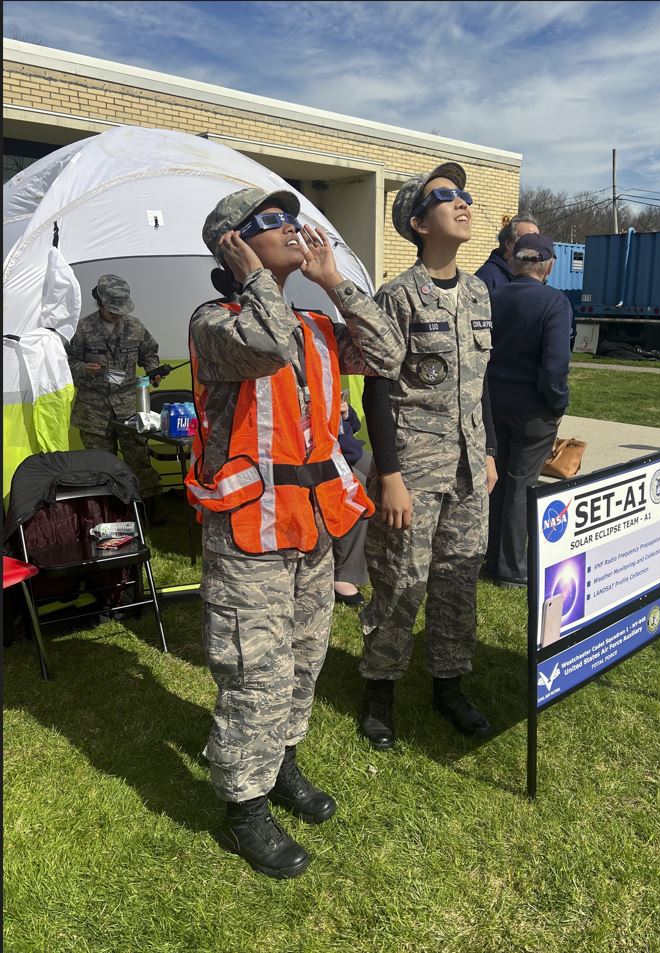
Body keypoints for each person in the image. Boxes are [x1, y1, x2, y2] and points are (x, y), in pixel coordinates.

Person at [186, 188, 403, 879]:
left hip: (311, 525)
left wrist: (336, 284)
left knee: (305, 656)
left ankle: (281, 764)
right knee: (257, 669)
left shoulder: (311, 319)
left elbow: (388, 355)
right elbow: (266, 341)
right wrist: (254, 277)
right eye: (270, 223)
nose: (293, 228)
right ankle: (243, 805)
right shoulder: (213, 321)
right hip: (249, 530)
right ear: (233, 244)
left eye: (291, 217)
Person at [358, 162, 498, 751]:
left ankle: (448, 685)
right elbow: (376, 386)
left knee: (457, 579)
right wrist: (388, 473)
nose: (462, 202)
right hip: (412, 467)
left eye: (464, 195)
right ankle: (378, 691)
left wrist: (487, 448)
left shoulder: (479, 291)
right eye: (446, 198)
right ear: (418, 223)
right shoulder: (397, 296)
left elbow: (479, 380)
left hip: (469, 468)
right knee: (400, 579)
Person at [485, 233, 572, 588]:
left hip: (493, 405)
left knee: (497, 483)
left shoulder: (490, 298)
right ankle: (511, 568)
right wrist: (558, 405)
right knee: (521, 485)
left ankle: (491, 556)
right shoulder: (554, 302)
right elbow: (554, 366)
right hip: (534, 410)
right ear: (548, 265)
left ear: (513, 262)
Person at [65, 275, 165, 524]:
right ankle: (107, 513)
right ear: (99, 302)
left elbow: (149, 353)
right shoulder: (82, 329)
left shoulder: (135, 327)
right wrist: (81, 368)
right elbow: (66, 361)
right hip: (93, 409)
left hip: (129, 407)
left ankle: (147, 511)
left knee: (139, 458)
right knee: (100, 464)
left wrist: (153, 371)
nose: (117, 315)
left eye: (120, 311)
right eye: (112, 311)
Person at [333, 393, 369, 606]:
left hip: (349, 450)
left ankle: (379, 552)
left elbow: (352, 427)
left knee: (388, 472)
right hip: (325, 455)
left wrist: (346, 413)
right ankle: (344, 573)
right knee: (359, 489)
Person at [475, 214, 540, 291]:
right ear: (509, 243)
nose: (535, 245)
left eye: (538, 240)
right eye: (528, 239)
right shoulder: (486, 278)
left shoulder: (531, 277)